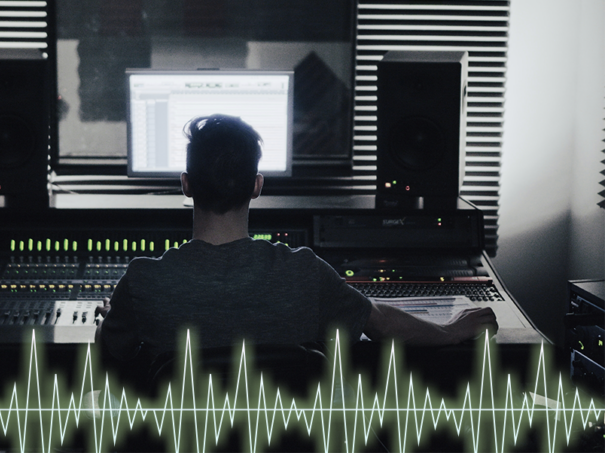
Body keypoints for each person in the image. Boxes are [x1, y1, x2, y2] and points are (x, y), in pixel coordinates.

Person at [97, 114, 497, 363]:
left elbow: (110, 351)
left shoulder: (142, 280)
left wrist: (106, 321)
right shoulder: (304, 272)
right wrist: (450, 329)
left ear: (185, 185)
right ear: (257, 186)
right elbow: (382, 326)